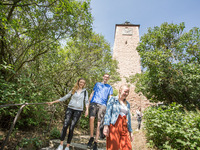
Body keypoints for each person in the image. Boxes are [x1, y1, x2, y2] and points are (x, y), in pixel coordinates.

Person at [47, 78, 89, 150]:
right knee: (65, 125)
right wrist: (53, 102)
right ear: (78, 82)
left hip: (78, 111)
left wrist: (87, 110)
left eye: (83, 83)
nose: (81, 83)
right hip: (70, 109)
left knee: (72, 127)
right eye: (80, 82)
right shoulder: (73, 90)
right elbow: (65, 97)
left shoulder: (85, 92)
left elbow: (86, 101)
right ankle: (61, 145)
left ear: (84, 84)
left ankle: (67, 146)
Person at [87, 73, 113, 150]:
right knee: (91, 118)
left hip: (103, 105)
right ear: (103, 77)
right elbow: (92, 93)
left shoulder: (109, 87)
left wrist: (110, 107)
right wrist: (88, 103)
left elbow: (110, 97)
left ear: (108, 79)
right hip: (94, 102)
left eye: (107, 77)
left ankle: (96, 142)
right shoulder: (97, 84)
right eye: (105, 76)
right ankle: (91, 137)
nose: (106, 78)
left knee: (99, 123)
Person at [103, 84, 133, 150]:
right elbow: (108, 112)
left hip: (124, 126)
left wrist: (130, 132)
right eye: (125, 91)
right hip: (114, 124)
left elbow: (129, 118)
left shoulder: (128, 104)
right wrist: (106, 126)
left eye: (128, 92)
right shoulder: (113, 99)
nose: (126, 93)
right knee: (113, 147)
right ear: (120, 90)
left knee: (127, 147)